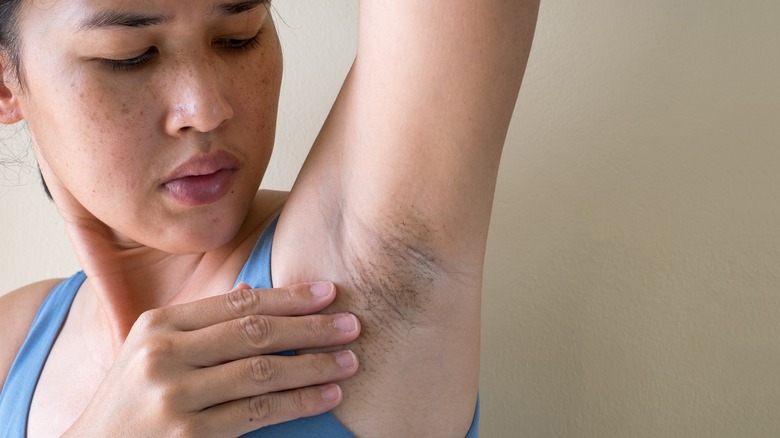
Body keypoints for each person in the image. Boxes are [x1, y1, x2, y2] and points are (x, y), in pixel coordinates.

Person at [0, 0, 539, 436]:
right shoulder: (13, 337)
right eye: (130, 55)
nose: (206, 108)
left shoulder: (353, 261)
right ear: (7, 82)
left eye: (240, 34)